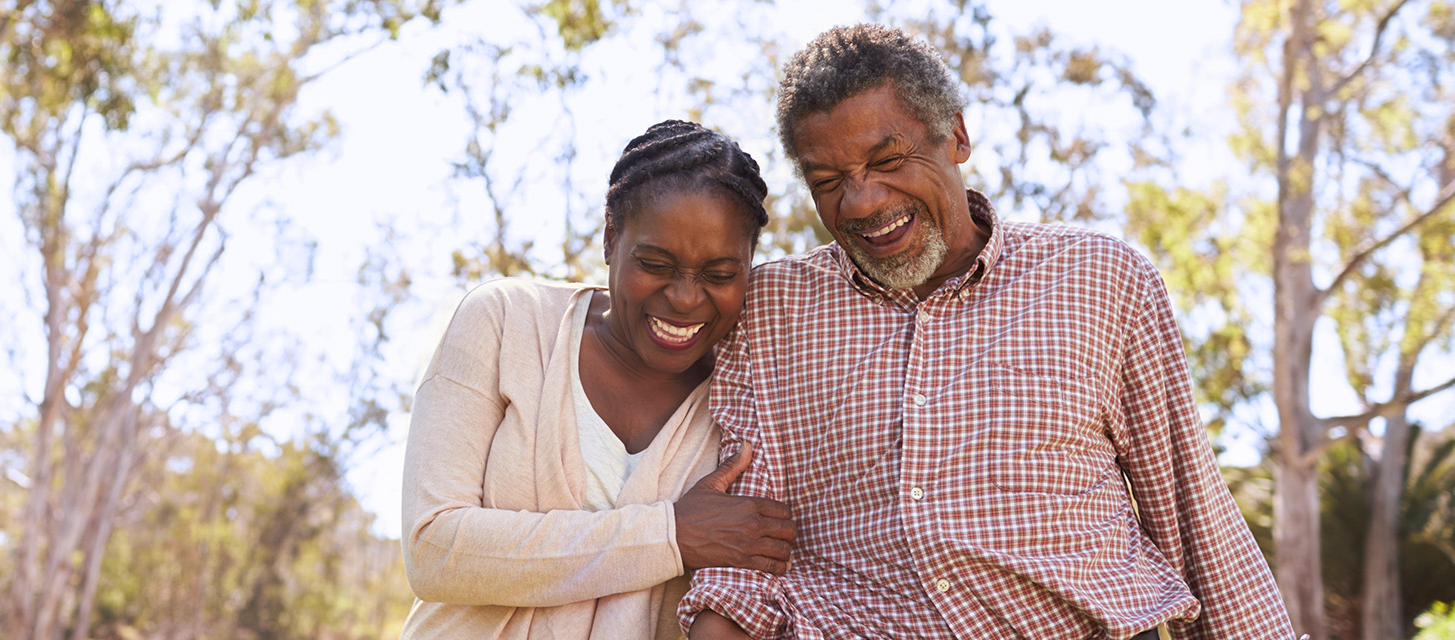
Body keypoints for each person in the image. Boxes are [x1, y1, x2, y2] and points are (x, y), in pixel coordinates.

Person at [680, 25, 1298, 640]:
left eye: (888, 160)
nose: (861, 201)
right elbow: (743, 556)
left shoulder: (1100, 278)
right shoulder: (772, 310)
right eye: (828, 182)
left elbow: (1192, 511)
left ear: (956, 135)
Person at [400, 120, 796, 638]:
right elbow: (434, 550)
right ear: (611, 238)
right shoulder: (505, 322)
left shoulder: (749, 395)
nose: (685, 298)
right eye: (656, 263)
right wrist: (670, 534)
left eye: (720, 275)